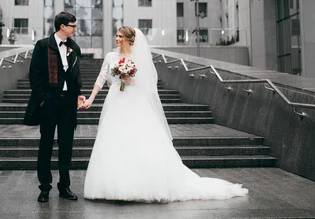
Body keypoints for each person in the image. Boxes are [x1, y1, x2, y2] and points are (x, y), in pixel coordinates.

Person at [80, 26, 248, 202]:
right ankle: (109, 185)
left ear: (130, 40)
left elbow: (146, 84)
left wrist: (130, 80)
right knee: (112, 139)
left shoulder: (136, 58)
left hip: (133, 100)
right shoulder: (110, 57)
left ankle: (139, 184)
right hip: (115, 100)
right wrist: (91, 99)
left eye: (120, 36)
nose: (117, 39)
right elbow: (101, 79)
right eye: (116, 35)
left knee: (138, 141)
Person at [23, 12, 85, 203]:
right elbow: (35, 74)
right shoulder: (43, 45)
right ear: (62, 27)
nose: (75, 29)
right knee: (46, 145)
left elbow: (76, 75)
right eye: (73, 26)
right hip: (49, 102)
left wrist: (78, 93)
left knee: (66, 146)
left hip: (68, 103)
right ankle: (44, 188)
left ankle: (64, 187)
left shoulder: (74, 47)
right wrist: (43, 99)